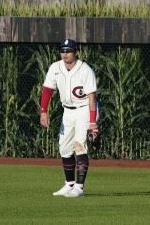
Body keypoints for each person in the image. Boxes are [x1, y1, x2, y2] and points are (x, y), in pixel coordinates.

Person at [40, 38, 98, 198]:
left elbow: (92, 97)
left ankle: (79, 188)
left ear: (76, 52)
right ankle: (69, 184)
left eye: (68, 51)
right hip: (68, 111)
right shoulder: (55, 67)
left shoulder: (85, 70)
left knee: (80, 146)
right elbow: (47, 90)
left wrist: (93, 122)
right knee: (64, 148)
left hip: (84, 110)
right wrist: (43, 111)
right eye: (62, 50)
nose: (65, 54)